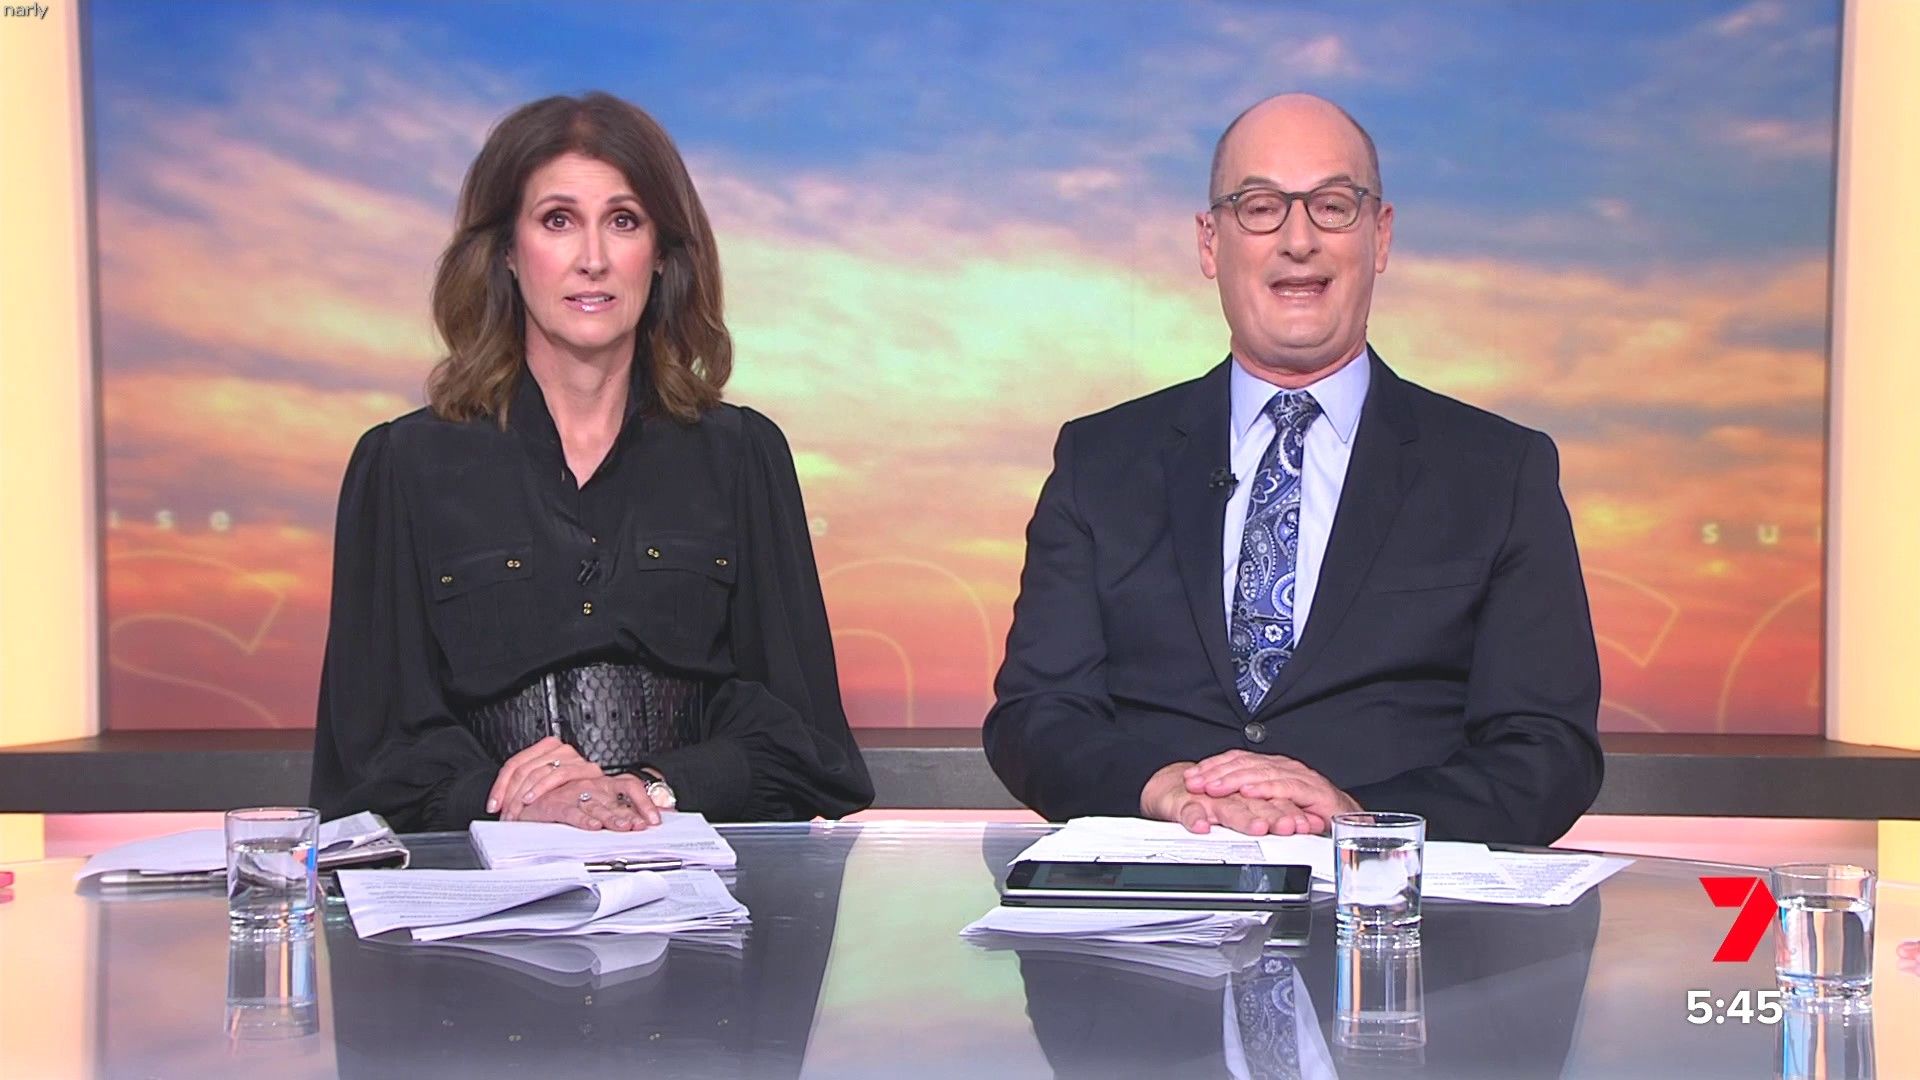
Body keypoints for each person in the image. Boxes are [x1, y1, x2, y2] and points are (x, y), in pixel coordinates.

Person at [983, 93, 1602, 845]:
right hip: (1157, 886)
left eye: (1333, 206)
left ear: (1380, 236)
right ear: (1210, 243)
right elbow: (1035, 717)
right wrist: (1161, 789)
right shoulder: (1099, 460)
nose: (1298, 240)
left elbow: (1547, 750)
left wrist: (1357, 815)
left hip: (1389, 900)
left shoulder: (1500, 472)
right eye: (1261, 207)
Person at [310, 92, 872, 832]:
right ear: (507, 251)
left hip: (697, 871)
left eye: (624, 221)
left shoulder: (743, 456)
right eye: (558, 220)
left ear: (662, 253)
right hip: (482, 882)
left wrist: (650, 788)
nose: (593, 259)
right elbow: (366, 763)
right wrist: (514, 803)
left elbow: (812, 749)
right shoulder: (402, 465)